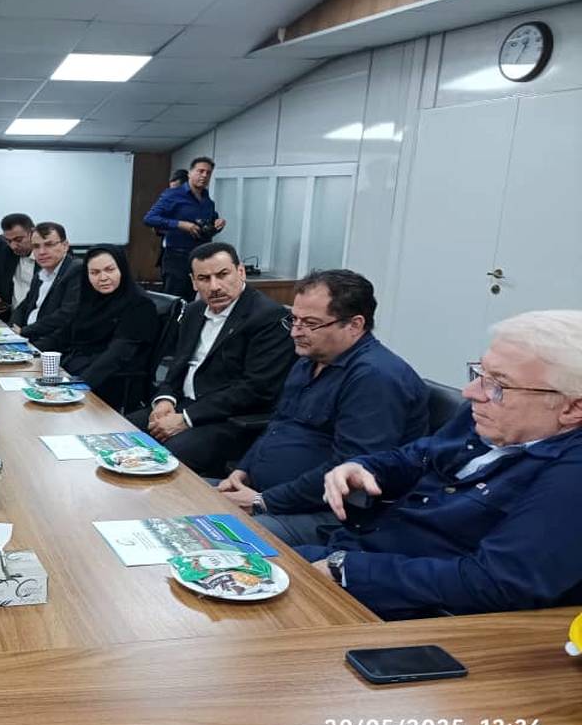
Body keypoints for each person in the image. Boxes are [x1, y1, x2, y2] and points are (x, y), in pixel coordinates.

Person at [303, 310, 582, 620]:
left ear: (572, 408)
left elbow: (496, 583)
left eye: (499, 385)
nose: (470, 393)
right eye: (480, 373)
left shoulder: (571, 477)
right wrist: (365, 467)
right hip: (360, 549)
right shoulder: (491, 417)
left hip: (410, 608)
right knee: (257, 557)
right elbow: (419, 455)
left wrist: (345, 569)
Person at [215, 270, 428, 546]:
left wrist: (263, 501)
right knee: (181, 503)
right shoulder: (309, 360)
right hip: (264, 494)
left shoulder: (375, 378)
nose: (295, 331)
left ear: (354, 325)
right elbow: (278, 426)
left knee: (214, 539)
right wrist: (243, 470)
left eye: (310, 323)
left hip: (329, 515)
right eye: (294, 319)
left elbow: (350, 470)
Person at [126, 243, 294, 477]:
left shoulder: (268, 317)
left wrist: (186, 419)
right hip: (184, 405)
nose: (214, 286)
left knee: (166, 456)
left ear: (241, 272)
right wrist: (164, 400)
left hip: (229, 419)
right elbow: (177, 366)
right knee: (121, 432)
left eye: (222, 275)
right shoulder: (194, 311)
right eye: (204, 278)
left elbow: (257, 389)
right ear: (193, 282)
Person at [60, 245, 158, 410]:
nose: (103, 278)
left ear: (122, 269)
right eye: (95, 273)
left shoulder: (140, 304)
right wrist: (34, 352)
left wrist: (78, 386)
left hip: (112, 381)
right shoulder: (91, 298)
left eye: (109, 270)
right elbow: (65, 333)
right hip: (76, 371)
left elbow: (117, 355)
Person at [143, 156, 226, 301]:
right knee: (173, 302)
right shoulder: (173, 194)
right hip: (177, 258)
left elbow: (209, 225)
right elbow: (149, 218)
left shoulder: (207, 200)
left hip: (200, 259)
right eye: (200, 171)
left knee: (193, 301)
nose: (204, 176)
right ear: (190, 173)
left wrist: (218, 224)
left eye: (208, 173)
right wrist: (180, 224)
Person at [11, 221, 83, 351]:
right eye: (36, 246)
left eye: (49, 245)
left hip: (51, 345)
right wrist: (11, 329)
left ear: (65, 245)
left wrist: (25, 332)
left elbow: (66, 315)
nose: (42, 252)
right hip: (28, 338)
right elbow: (25, 305)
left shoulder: (76, 270)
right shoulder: (40, 273)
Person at [1, 212, 38, 313]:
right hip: (13, 315)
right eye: (8, 241)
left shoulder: (46, 257)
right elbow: (3, 282)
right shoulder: (7, 253)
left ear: (32, 233)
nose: (13, 246)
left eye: (18, 240)